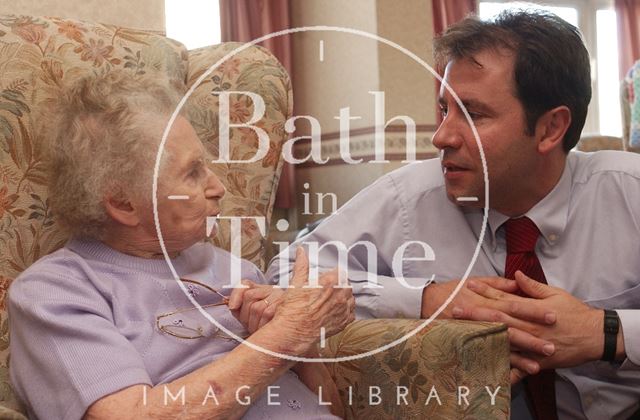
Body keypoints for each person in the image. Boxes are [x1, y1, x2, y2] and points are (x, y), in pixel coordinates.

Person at [266, 10, 640, 420]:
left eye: (474, 114)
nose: (441, 135)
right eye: (444, 109)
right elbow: (284, 274)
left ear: (552, 128)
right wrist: (424, 299)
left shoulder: (628, 192)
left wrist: (608, 331)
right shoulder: (411, 197)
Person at [7, 71, 355, 420]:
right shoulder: (55, 293)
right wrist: (288, 334)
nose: (218, 187)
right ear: (124, 204)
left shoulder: (239, 271)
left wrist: (306, 342)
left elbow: (331, 411)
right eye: (193, 172)